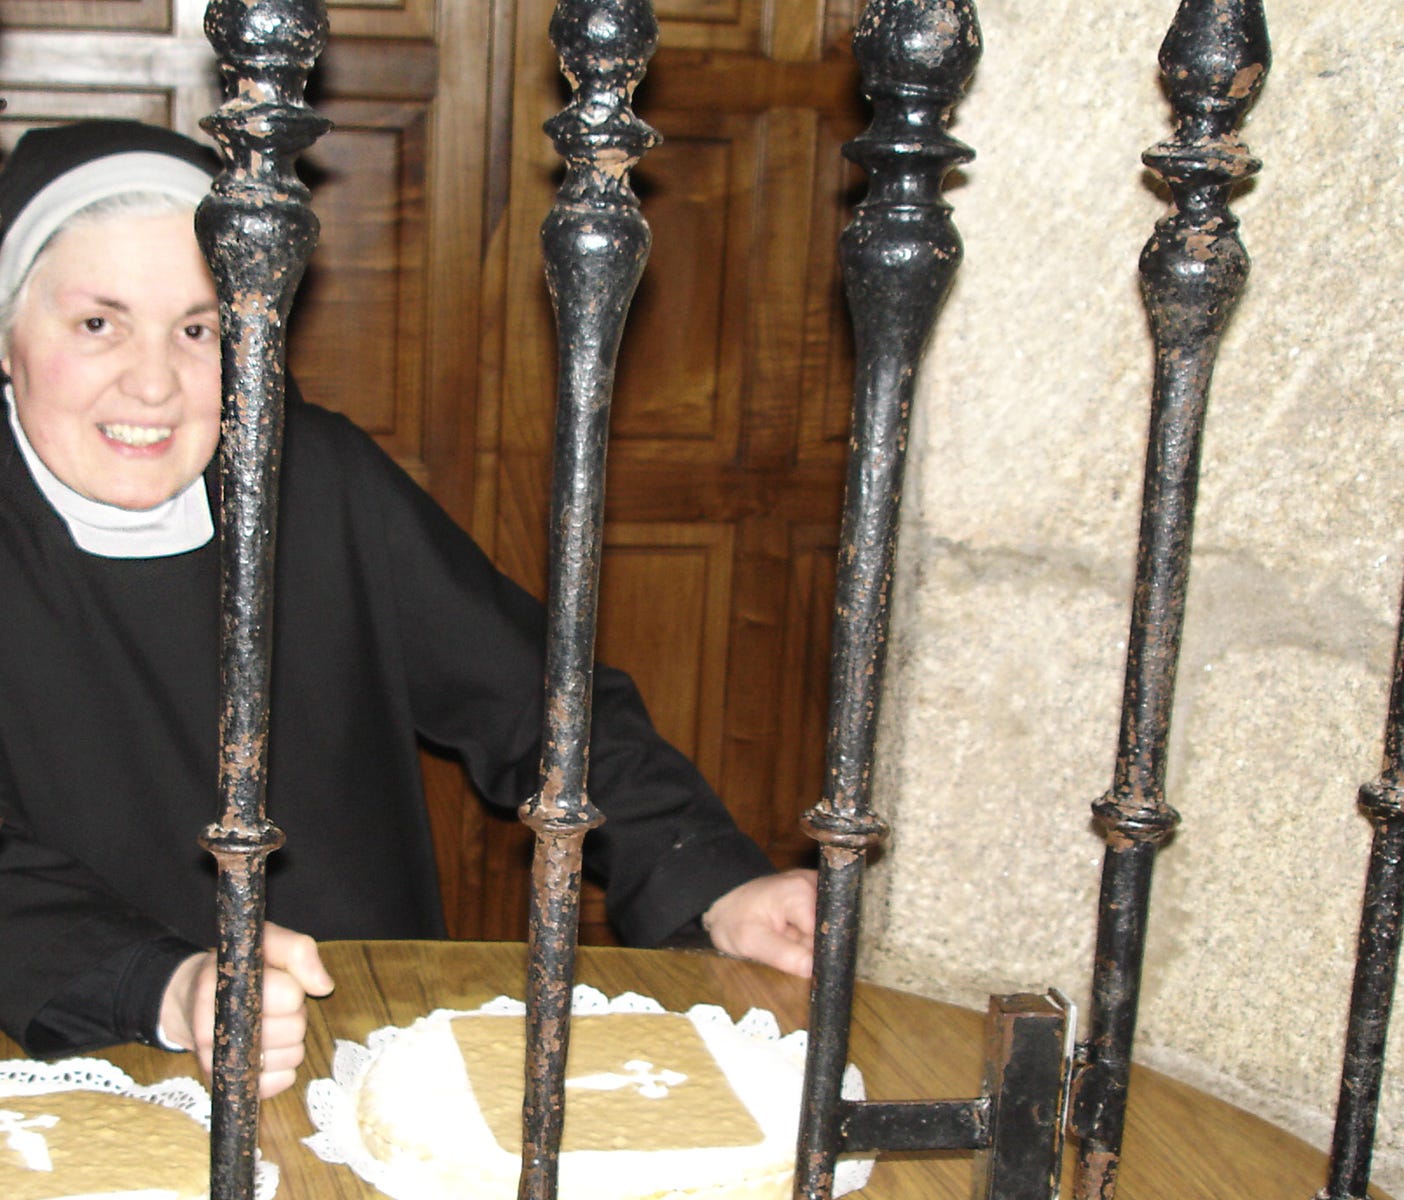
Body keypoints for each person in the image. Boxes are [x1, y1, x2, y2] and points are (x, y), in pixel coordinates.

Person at [0, 120, 818, 1099]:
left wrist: (711, 878)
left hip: (364, 1043)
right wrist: (168, 984)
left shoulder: (320, 480)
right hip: (77, 1059)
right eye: (98, 323)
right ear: (10, 338)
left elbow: (535, 702)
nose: (154, 382)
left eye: (200, 327)